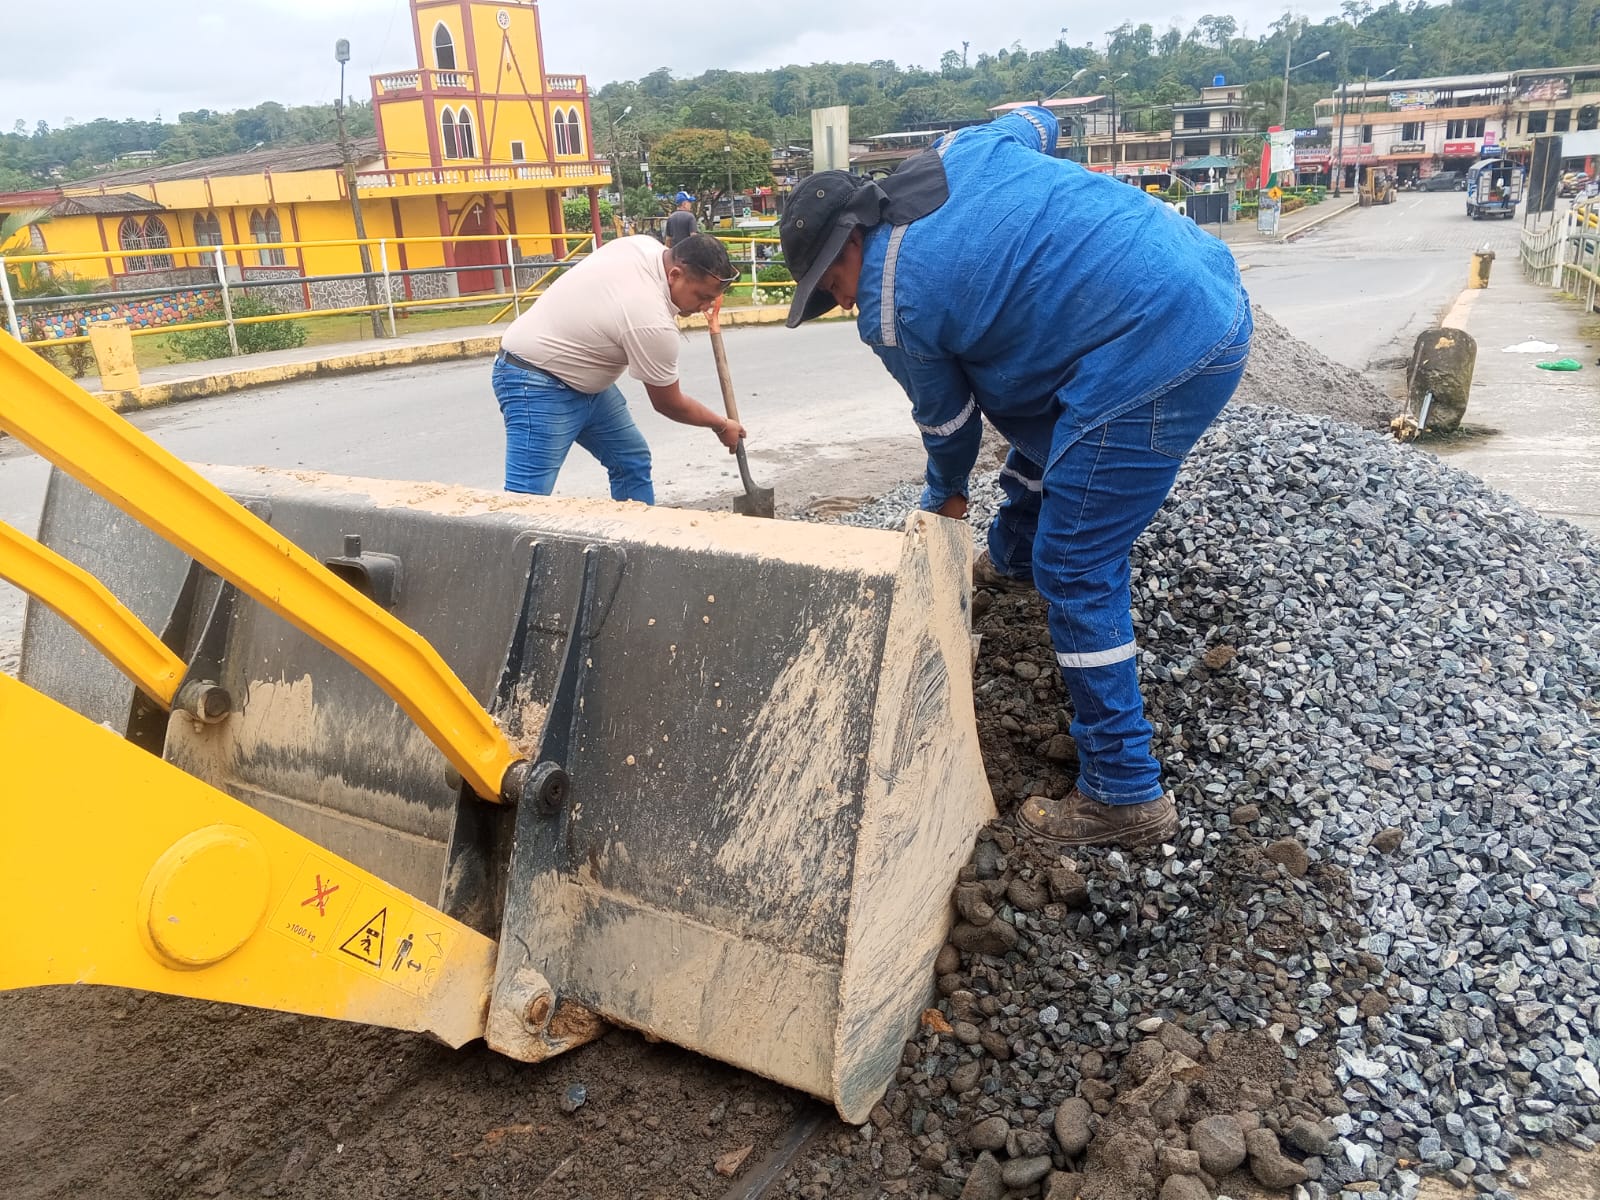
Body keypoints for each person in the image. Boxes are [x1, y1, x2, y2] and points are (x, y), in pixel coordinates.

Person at [778, 105, 1251, 850]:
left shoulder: (890, 302)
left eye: (829, 282)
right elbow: (1042, 120)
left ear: (851, 241)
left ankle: (1124, 791)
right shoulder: (963, 147)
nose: (839, 300)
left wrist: (942, 504)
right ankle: (1011, 561)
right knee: (1036, 401)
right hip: (1207, 286)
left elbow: (951, 430)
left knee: (1078, 564)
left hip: (1155, 352)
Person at [493, 232, 745, 502]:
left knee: (631, 461)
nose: (706, 306)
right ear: (674, 275)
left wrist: (703, 294)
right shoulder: (651, 320)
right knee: (527, 498)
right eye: (702, 296)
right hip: (534, 379)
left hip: (584, 382)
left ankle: (634, 529)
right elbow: (668, 403)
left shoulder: (643, 244)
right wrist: (721, 425)